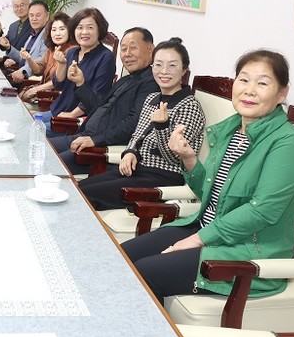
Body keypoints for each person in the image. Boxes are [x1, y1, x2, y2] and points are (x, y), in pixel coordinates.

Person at [122, 49, 294, 305]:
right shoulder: (230, 130)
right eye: (243, 80)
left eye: (262, 83)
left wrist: (196, 240)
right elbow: (209, 195)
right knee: (119, 256)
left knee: (143, 273)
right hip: (207, 229)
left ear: (282, 93)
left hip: (246, 250)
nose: (249, 90)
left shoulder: (288, 142)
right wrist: (189, 159)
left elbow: (263, 211)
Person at [78, 38, 206, 210]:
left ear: (184, 70)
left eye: (172, 66)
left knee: (84, 197)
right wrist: (130, 152)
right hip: (136, 170)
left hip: (163, 179)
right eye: (158, 65)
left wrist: (162, 127)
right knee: (77, 189)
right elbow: (137, 134)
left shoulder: (190, 106)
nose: (164, 71)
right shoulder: (152, 98)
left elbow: (176, 158)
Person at [49, 27, 158, 174]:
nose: (127, 54)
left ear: (150, 49)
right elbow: (97, 107)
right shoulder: (126, 79)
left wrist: (96, 140)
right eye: (123, 49)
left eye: (133, 48)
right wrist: (81, 83)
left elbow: (133, 124)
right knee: (41, 147)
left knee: (49, 164)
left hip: (98, 148)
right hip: (84, 136)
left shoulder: (151, 83)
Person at [45, 7, 116, 127]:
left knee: (34, 131)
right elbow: (58, 84)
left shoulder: (105, 57)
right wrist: (62, 64)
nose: (84, 32)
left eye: (90, 27)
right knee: (27, 124)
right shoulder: (72, 52)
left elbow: (98, 98)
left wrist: (72, 115)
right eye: (80, 27)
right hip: (58, 109)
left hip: (77, 120)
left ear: (99, 29)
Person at [19, 11, 76, 101]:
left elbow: (58, 82)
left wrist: (35, 89)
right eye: (54, 30)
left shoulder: (73, 51)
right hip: (44, 95)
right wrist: (29, 58)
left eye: (62, 29)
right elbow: (38, 70)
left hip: (57, 98)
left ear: (69, 31)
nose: (57, 33)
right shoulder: (51, 49)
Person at [2, 0, 51, 84]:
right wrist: (9, 47)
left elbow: (41, 61)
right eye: (31, 15)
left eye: (38, 15)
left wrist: (23, 71)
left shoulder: (48, 35)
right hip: (21, 74)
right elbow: (23, 57)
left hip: (32, 80)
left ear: (47, 16)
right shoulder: (32, 35)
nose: (34, 19)